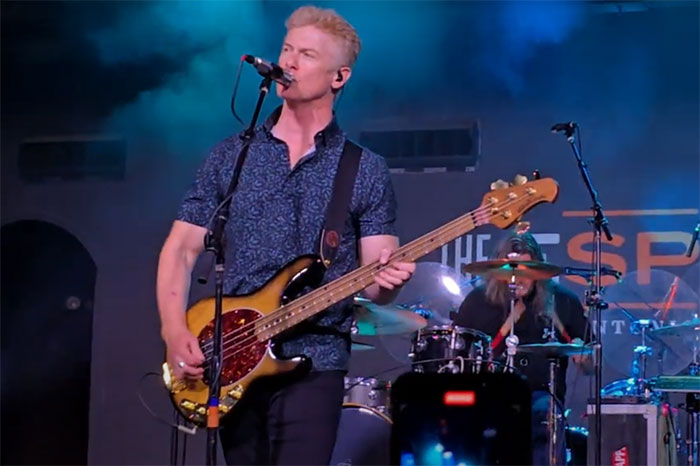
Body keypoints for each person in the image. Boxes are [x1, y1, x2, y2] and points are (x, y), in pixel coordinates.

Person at [155, 5, 415, 465]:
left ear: (339, 77)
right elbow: (180, 249)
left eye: (307, 55)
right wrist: (174, 329)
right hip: (232, 355)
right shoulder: (232, 156)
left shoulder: (364, 168)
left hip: (316, 359)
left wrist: (389, 281)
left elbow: (375, 281)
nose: (289, 63)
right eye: (287, 50)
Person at [453, 231, 592, 465]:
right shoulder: (477, 301)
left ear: (538, 271)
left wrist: (583, 357)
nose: (519, 278)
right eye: (511, 269)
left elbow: (590, 365)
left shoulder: (562, 301)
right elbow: (459, 356)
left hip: (541, 396)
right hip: (489, 393)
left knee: (542, 412)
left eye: (527, 270)